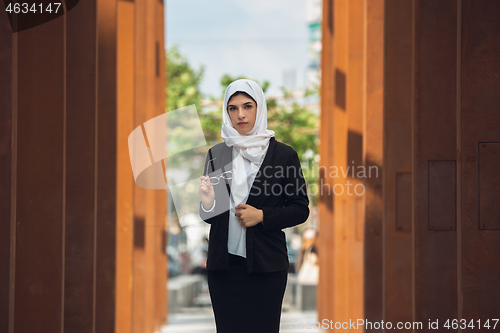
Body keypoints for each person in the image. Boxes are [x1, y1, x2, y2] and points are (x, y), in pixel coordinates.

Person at [198, 79, 310, 333]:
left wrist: (262, 216)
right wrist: (208, 204)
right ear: (226, 113)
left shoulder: (283, 155)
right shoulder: (217, 153)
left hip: (266, 266)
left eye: (248, 106)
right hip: (223, 267)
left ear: (260, 108)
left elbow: (300, 208)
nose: (241, 114)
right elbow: (211, 215)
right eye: (232, 108)